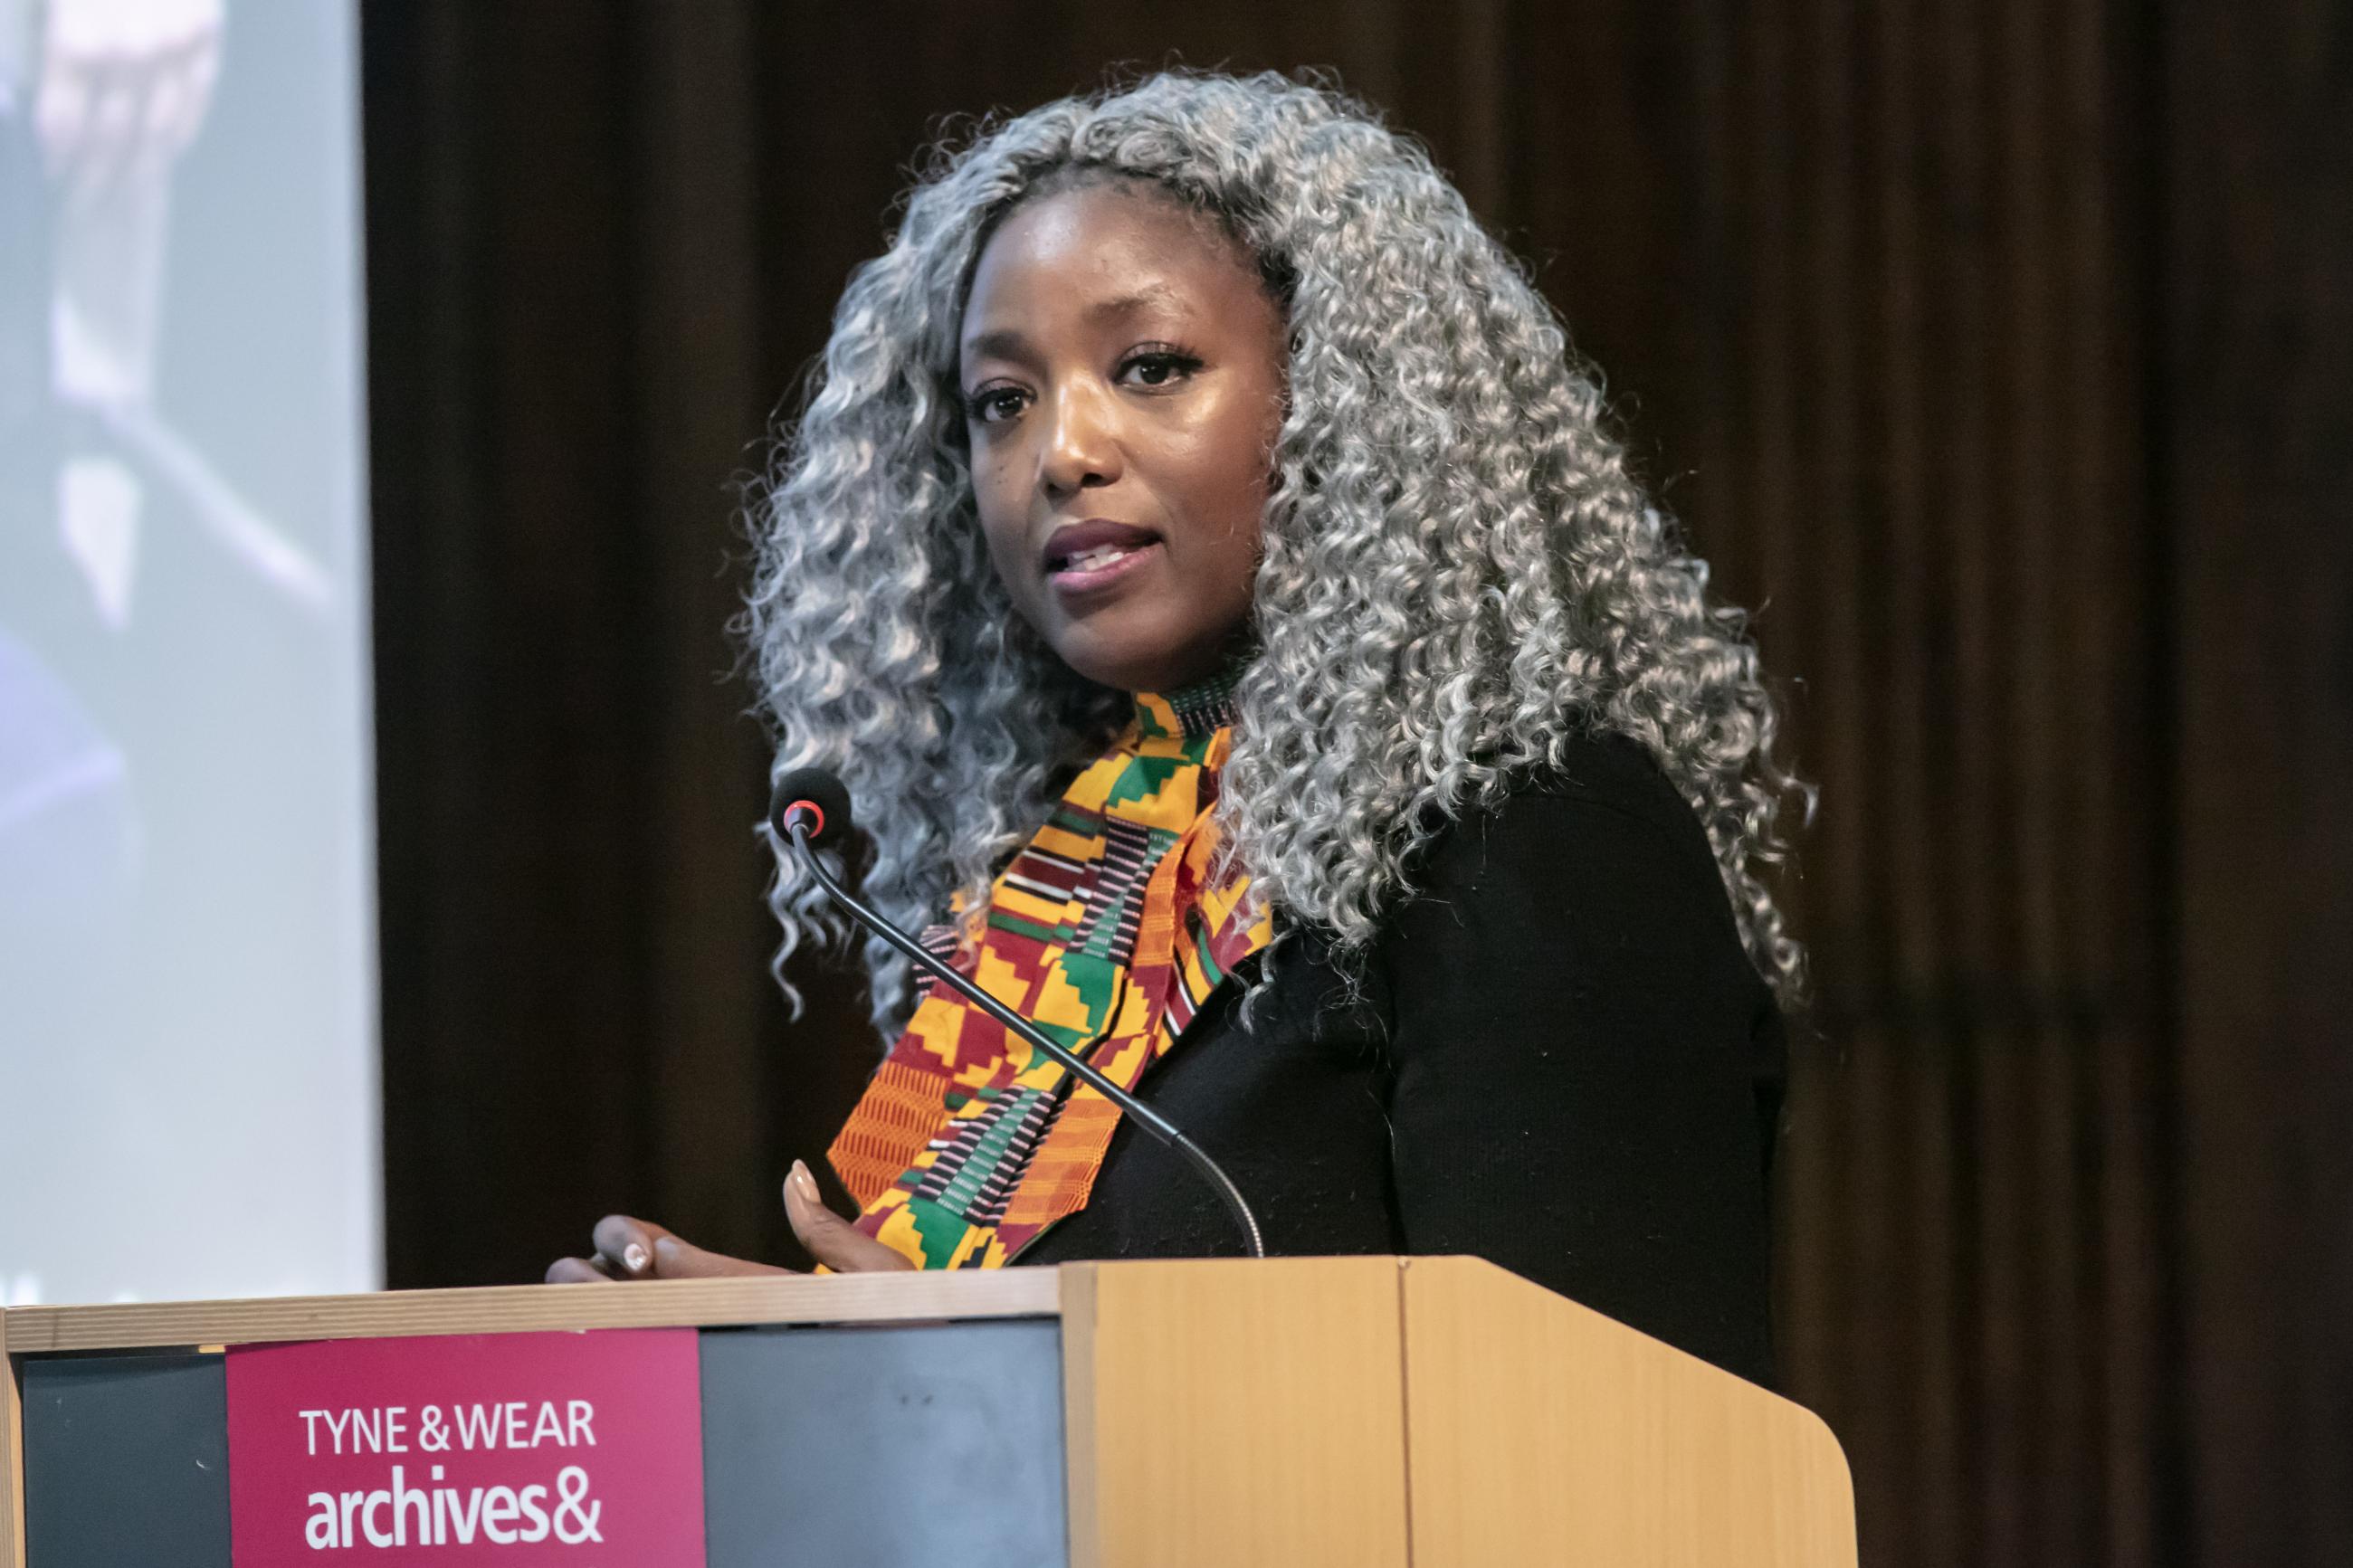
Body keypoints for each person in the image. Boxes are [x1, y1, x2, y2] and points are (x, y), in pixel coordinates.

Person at [548, 70, 1810, 1387]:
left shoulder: (1536, 841)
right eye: (1002, 400)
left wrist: (984, 1369)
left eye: (1150, 367)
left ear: (1340, 399)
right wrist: (787, 1358)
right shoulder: (1073, 887)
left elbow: (1602, 1453)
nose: (1062, 451)